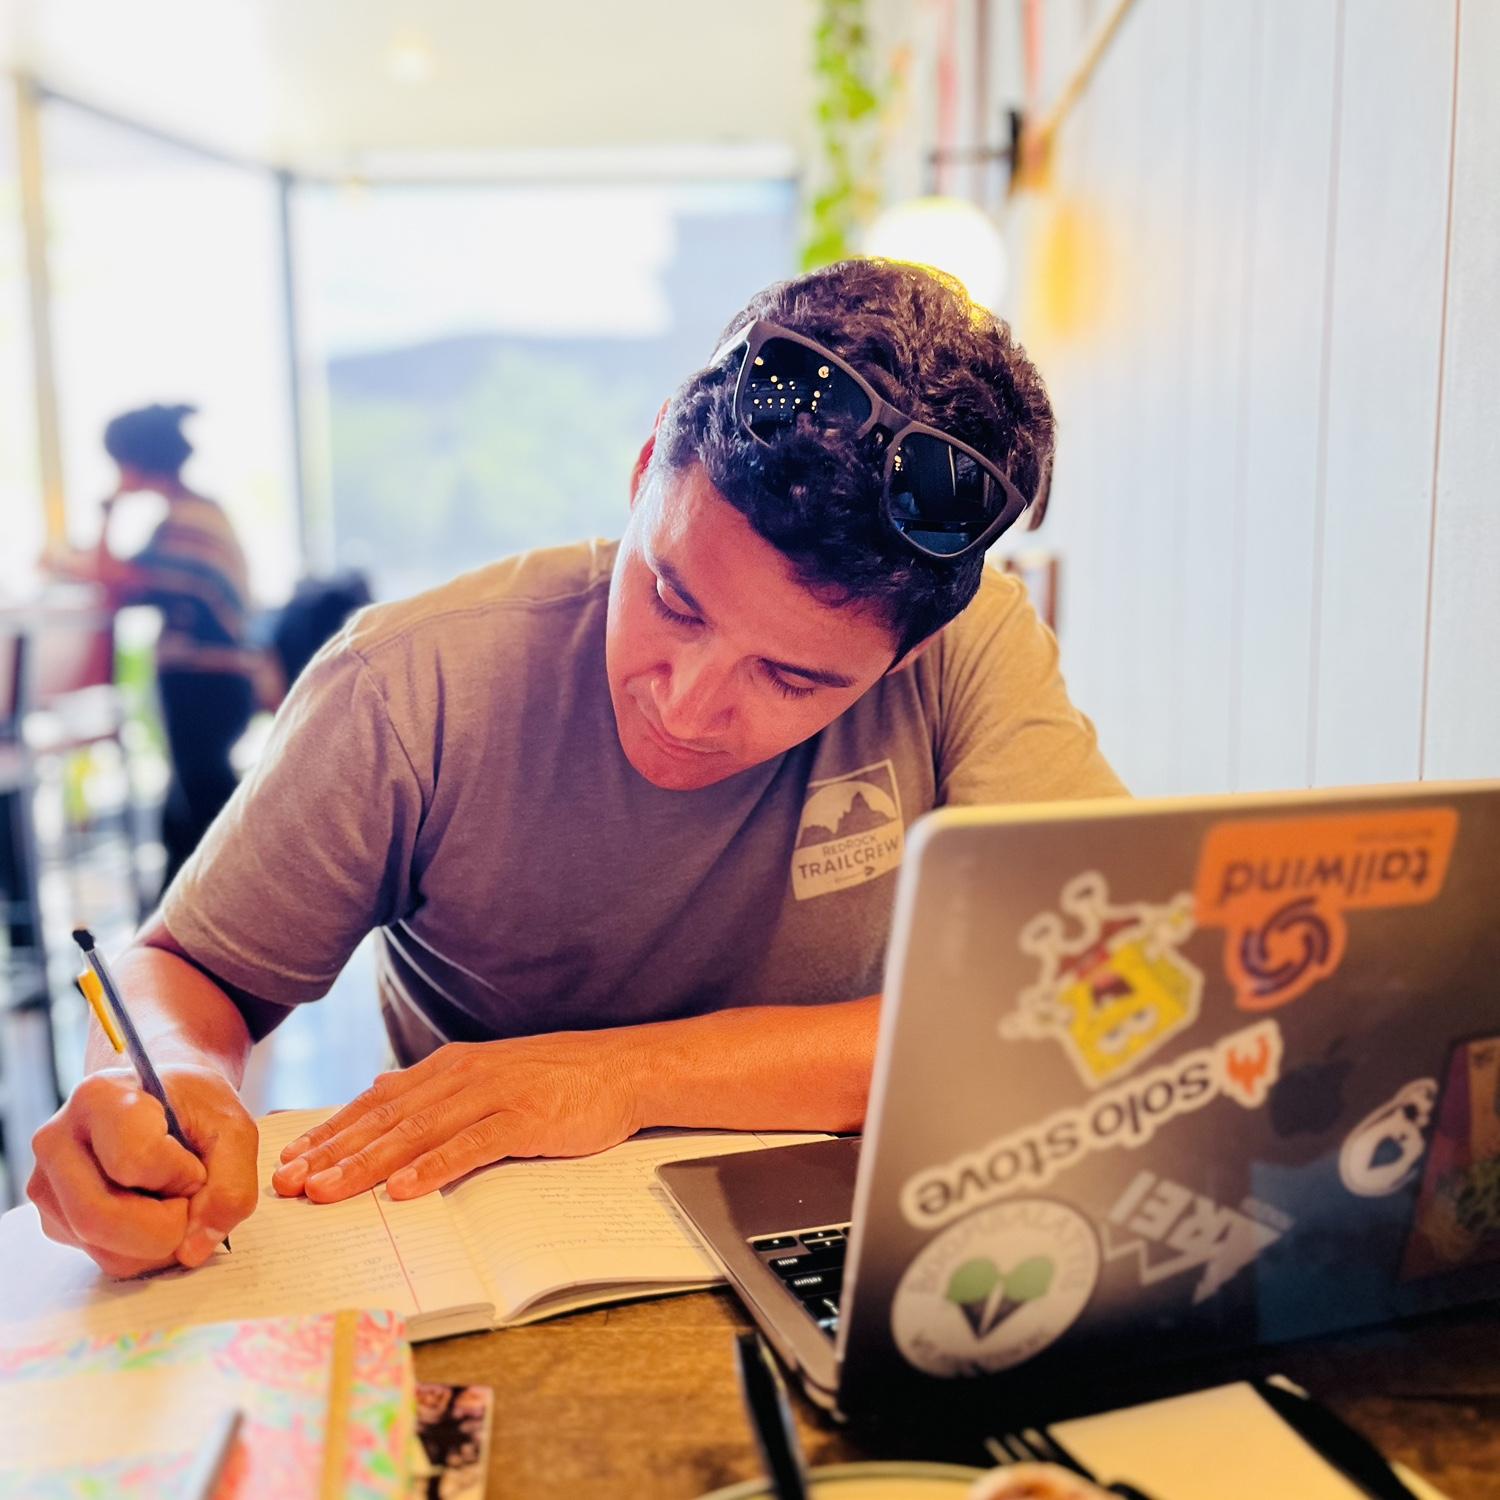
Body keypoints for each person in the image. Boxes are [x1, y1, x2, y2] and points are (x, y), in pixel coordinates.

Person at [27, 261, 1125, 1279]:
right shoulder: (410, 685)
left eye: (792, 679)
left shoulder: (971, 648)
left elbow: (1072, 996)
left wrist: (619, 1074)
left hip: (853, 1247)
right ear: (648, 466)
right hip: (489, 1270)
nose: (686, 705)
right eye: (672, 598)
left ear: (911, 651)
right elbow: (190, 969)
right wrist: (145, 1081)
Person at [42, 403, 258, 894]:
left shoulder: (188, 521)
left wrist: (106, 511)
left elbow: (110, 577)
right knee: (191, 808)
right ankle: (182, 917)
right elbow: (121, 575)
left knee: (205, 808)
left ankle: (221, 913)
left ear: (136, 463)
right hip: (213, 682)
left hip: (205, 682)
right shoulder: (192, 514)